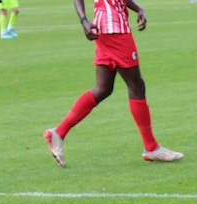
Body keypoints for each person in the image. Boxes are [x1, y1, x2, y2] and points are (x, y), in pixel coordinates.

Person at [43, 0, 182, 167]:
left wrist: (138, 8)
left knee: (103, 88)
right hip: (113, 30)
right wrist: (84, 20)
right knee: (136, 86)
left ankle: (58, 133)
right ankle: (151, 147)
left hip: (107, 28)